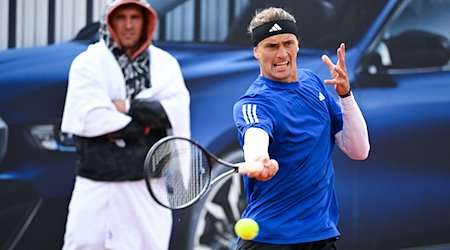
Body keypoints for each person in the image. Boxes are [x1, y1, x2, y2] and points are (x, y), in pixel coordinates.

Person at [233, 7, 370, 250]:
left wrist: (345, 95)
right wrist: (259, 159)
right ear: (256, 51)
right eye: (271, 46)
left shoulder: (313, 83)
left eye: (288, 43)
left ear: (297, 45)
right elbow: (256, 137)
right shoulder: (253, 103)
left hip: (320, 235)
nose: (282, 53)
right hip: (269, 240)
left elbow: (358, 150)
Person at [60, 0, 190, 249]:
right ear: (109, 22)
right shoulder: (87, 63)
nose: (129, 25)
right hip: (97, 185)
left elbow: (175, 112)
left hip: (149, 187)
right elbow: (91, 119)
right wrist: (147, 123)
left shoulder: (166, 64)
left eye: (135, 18)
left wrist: (125, 106)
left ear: (147, 23)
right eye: (121, 18)